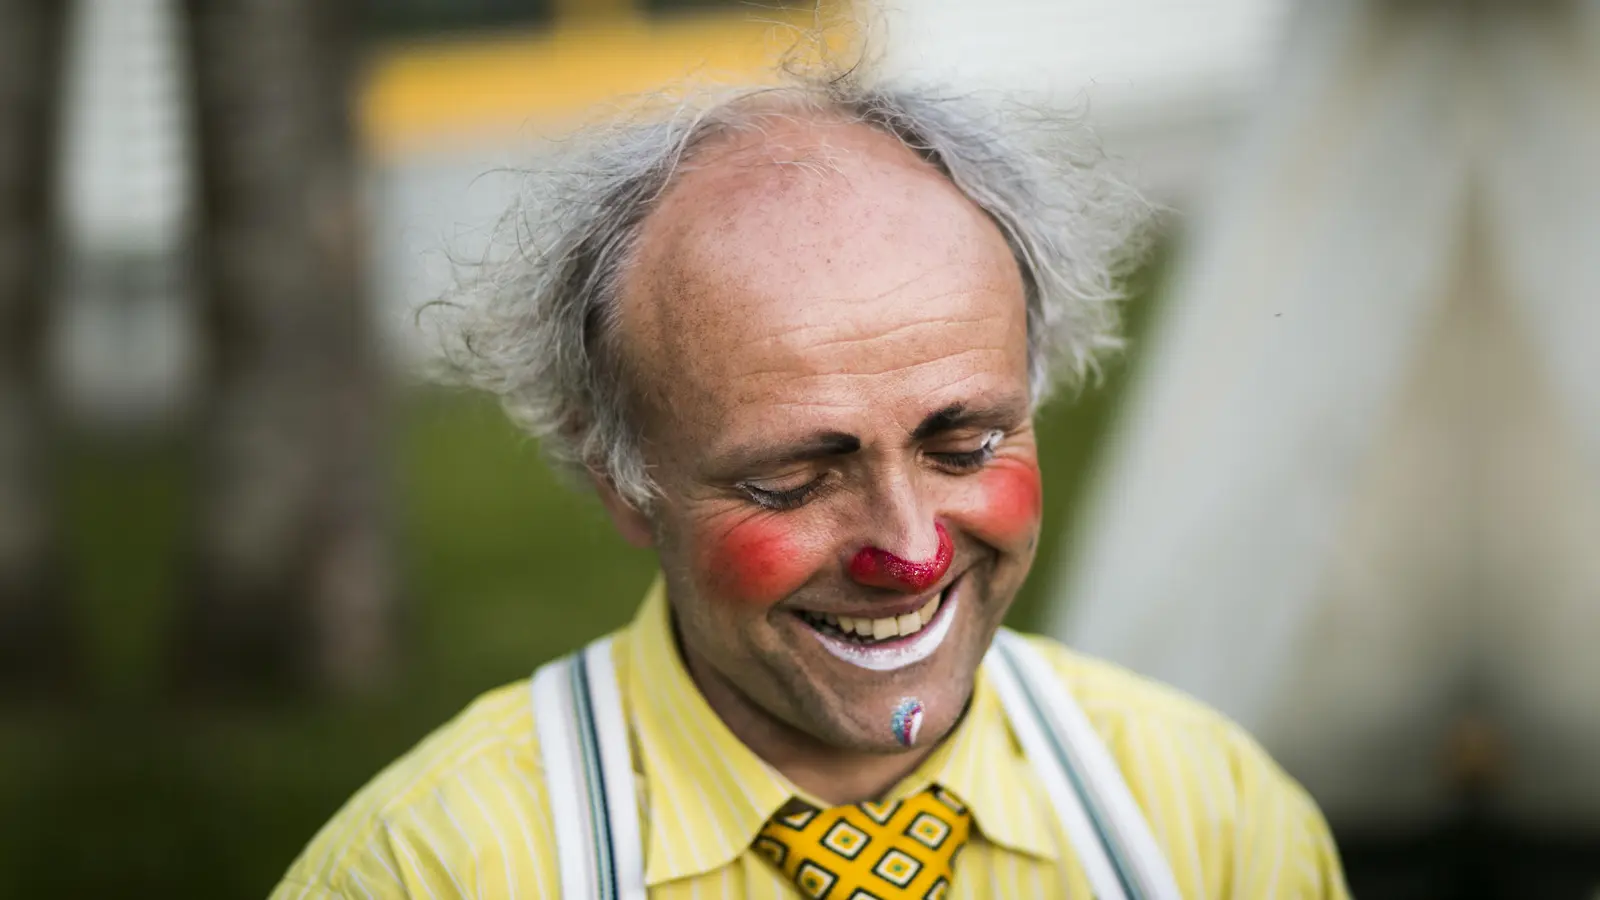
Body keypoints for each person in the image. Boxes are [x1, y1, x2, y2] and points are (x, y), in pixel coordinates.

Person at [270, 64, 1350, 899]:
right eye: (794, 476)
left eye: (963, 443)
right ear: (621, 481)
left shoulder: (1212, 819)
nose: (910, 548)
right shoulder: (430, 871)